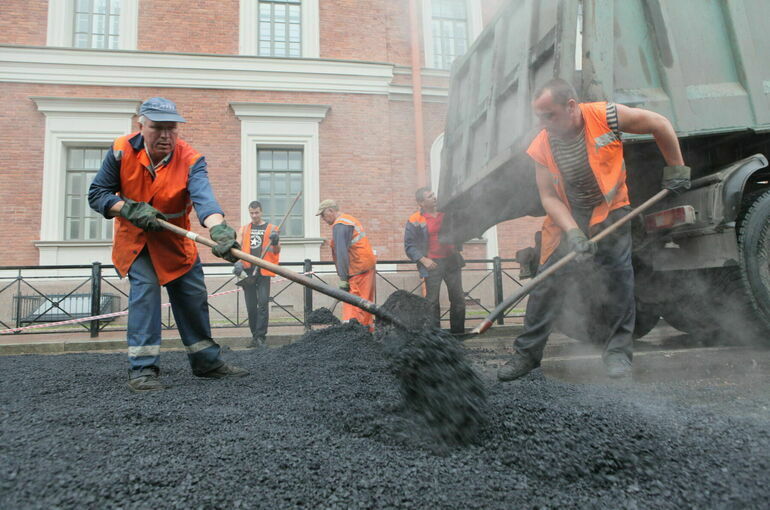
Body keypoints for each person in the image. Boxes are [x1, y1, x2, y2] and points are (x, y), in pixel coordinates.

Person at [497, 78, 690, 381]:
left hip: (610, 209)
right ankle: (527, 355)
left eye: (550, 115)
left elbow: (659, 123)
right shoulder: (543, 144)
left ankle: (617, 353)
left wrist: (677, 168)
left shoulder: (606, 115)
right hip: (567, 216)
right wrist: (573, 231)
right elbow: (548, 196)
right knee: (547, 281)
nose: (545, 123)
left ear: (571, 106)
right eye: (540, 117)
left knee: (618, 277)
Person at [88, 97, 248, 393]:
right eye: (157, 128)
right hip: (137, 243)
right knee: (146, 294)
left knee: (193, 298)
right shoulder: (121, 150)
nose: (165, 136)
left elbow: (204, 199)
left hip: (175, 242)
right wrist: (127, 208)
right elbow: (97, 194)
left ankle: (207, 363)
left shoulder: (191, 158)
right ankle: (143, 370)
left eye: (171, 129)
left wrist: (219, 230)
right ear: (141, 126)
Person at [404, 187, 466, 334]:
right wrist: (423, 260)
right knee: (432, 303)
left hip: (451, 261)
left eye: (433, 194)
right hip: (432, 264)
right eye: (430, 196)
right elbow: (409, 245)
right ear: (421, 203)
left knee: (458, 300)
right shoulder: (415, 219)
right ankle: (436, 337)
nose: (434, 197)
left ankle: (458, 335)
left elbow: (461, 230)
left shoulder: (447, 214)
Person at [317, 199, 377, 330]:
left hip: (358, 269)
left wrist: (343, 278)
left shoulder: (340, 225)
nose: (322, 219)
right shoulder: (348, 220)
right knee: (365, 304)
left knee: (354, 304)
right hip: (365, 267)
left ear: (331, 211)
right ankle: (367, 333)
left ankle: (353, 334)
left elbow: (341, 252)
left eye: (323, 215)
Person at [232, 200, 280, 348]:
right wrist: (238, 262)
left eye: (257, 212)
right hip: (248, 273)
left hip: (263, 271)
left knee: (263, 304)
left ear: (261, 212)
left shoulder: (272, 229)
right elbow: (237, 247)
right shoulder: (244, 229)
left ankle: (261, 337)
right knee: (251, 306)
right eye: (252, 213)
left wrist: (275, 241)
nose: (254, 215)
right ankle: (254, 337)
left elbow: (276, 250)